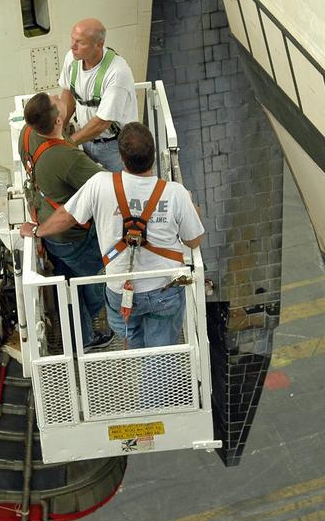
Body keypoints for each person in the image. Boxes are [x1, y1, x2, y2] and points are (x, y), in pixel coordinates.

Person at [30, 122, 204, 349]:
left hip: (120, 290)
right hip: (164, 289)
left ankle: (140, 358)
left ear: (122, 158)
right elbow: (194, 240)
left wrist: (36, 231)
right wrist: (192, 207)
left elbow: (67, 216)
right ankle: (155, 377)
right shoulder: (175, 193)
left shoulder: (100, 184)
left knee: (132, 341)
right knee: (161, 356)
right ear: (152, 154)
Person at [16, 92, 114, 350]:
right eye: (57, 101)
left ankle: (80, 336)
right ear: (59, 120)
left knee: (67, 281)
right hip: (72, 237)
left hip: (45, 224)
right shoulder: (67, 159)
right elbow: (107, 187)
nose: (60, 97)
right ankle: (86, 334)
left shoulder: (26, 134)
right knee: (93, 280)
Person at [57, 18, 138, 171]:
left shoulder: (117, 72)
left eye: (80, 42)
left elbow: (103, 122)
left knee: (121, 188)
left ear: (99, 45)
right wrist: (60, 129)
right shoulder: (72, 59)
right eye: (72, 39)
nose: (72, 46)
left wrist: (68, 143)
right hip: (86, 141)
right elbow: (68, 92)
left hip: (115, 147)